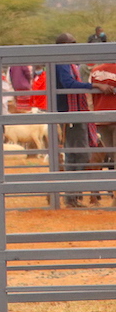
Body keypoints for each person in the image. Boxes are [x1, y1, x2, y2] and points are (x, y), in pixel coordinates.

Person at [53, 33, 112, 207]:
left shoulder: (69, 63)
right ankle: (72, 197)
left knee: (79, 152)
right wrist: (95, 85)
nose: (75, 45)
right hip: (71, 112)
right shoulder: (63, 62)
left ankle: (74, 195)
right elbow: (68, 83)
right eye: (72, 42)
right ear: (64, 45)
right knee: (76, 153)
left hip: (75, 111)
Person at [90, 59, 116, 205]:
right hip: (113, 116)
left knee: (100, 157)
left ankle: (94, 195)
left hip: (100, 117)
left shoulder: (95, 70)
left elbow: (89, 93)